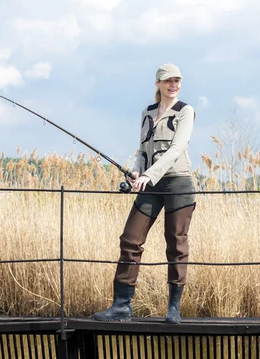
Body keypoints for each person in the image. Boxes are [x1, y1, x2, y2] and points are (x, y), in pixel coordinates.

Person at [94, 63, 196, 324]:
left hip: (178, 184)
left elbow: (176, 149)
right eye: (168, 80)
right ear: (158, 84)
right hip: (150, 185)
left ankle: (173, 309)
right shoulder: (147, 112)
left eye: (178, 80)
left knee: (176, 244)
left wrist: (150, 174)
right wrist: (139, 172)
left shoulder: (186, 111)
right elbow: (142, 151)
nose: (174, 85)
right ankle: (121, 307)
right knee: (130, 240)